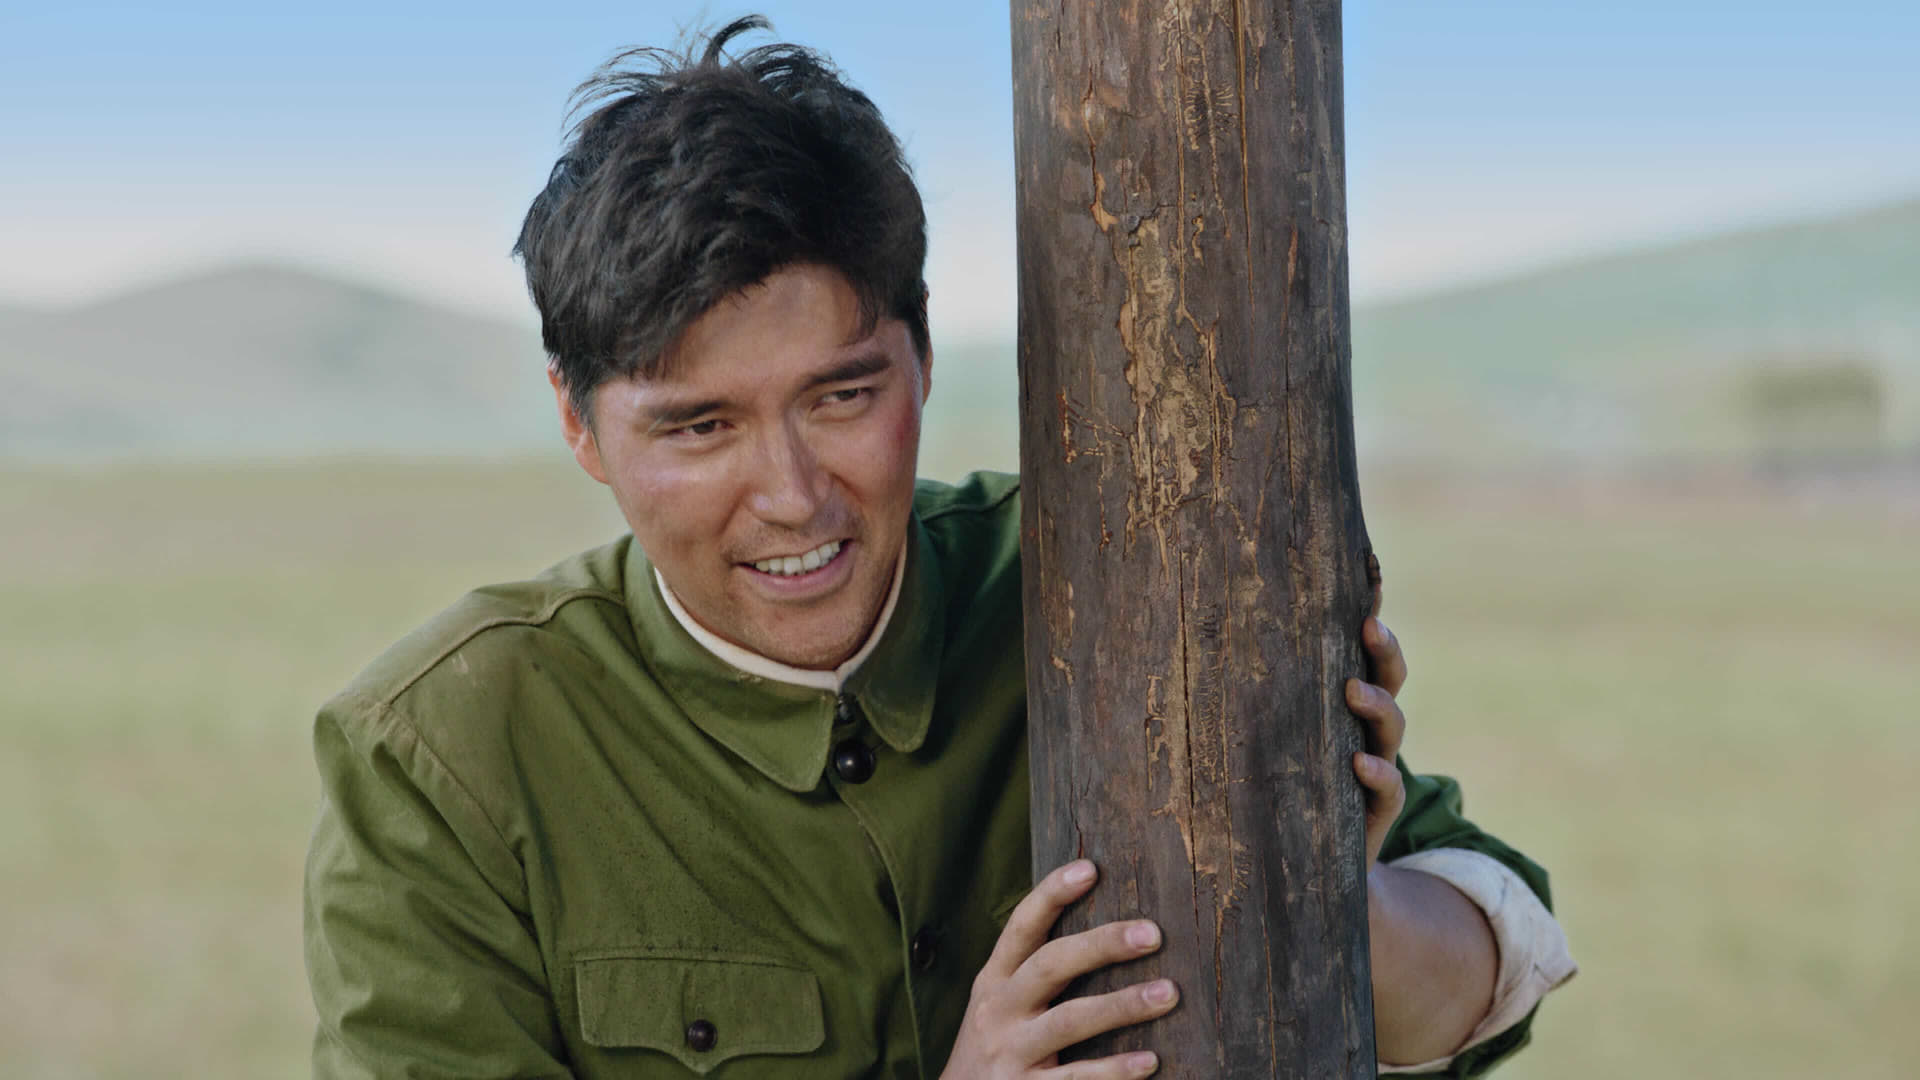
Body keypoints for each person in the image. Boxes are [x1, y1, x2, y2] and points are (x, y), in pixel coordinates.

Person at [303, 16, 1574, 1079]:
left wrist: (1318, 886)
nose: (793, 495)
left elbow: (1499, 962)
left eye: (842, 396)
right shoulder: (440, 757)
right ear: (578, 424)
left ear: (919, 354)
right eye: (700, 427)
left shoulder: (1134, 575)